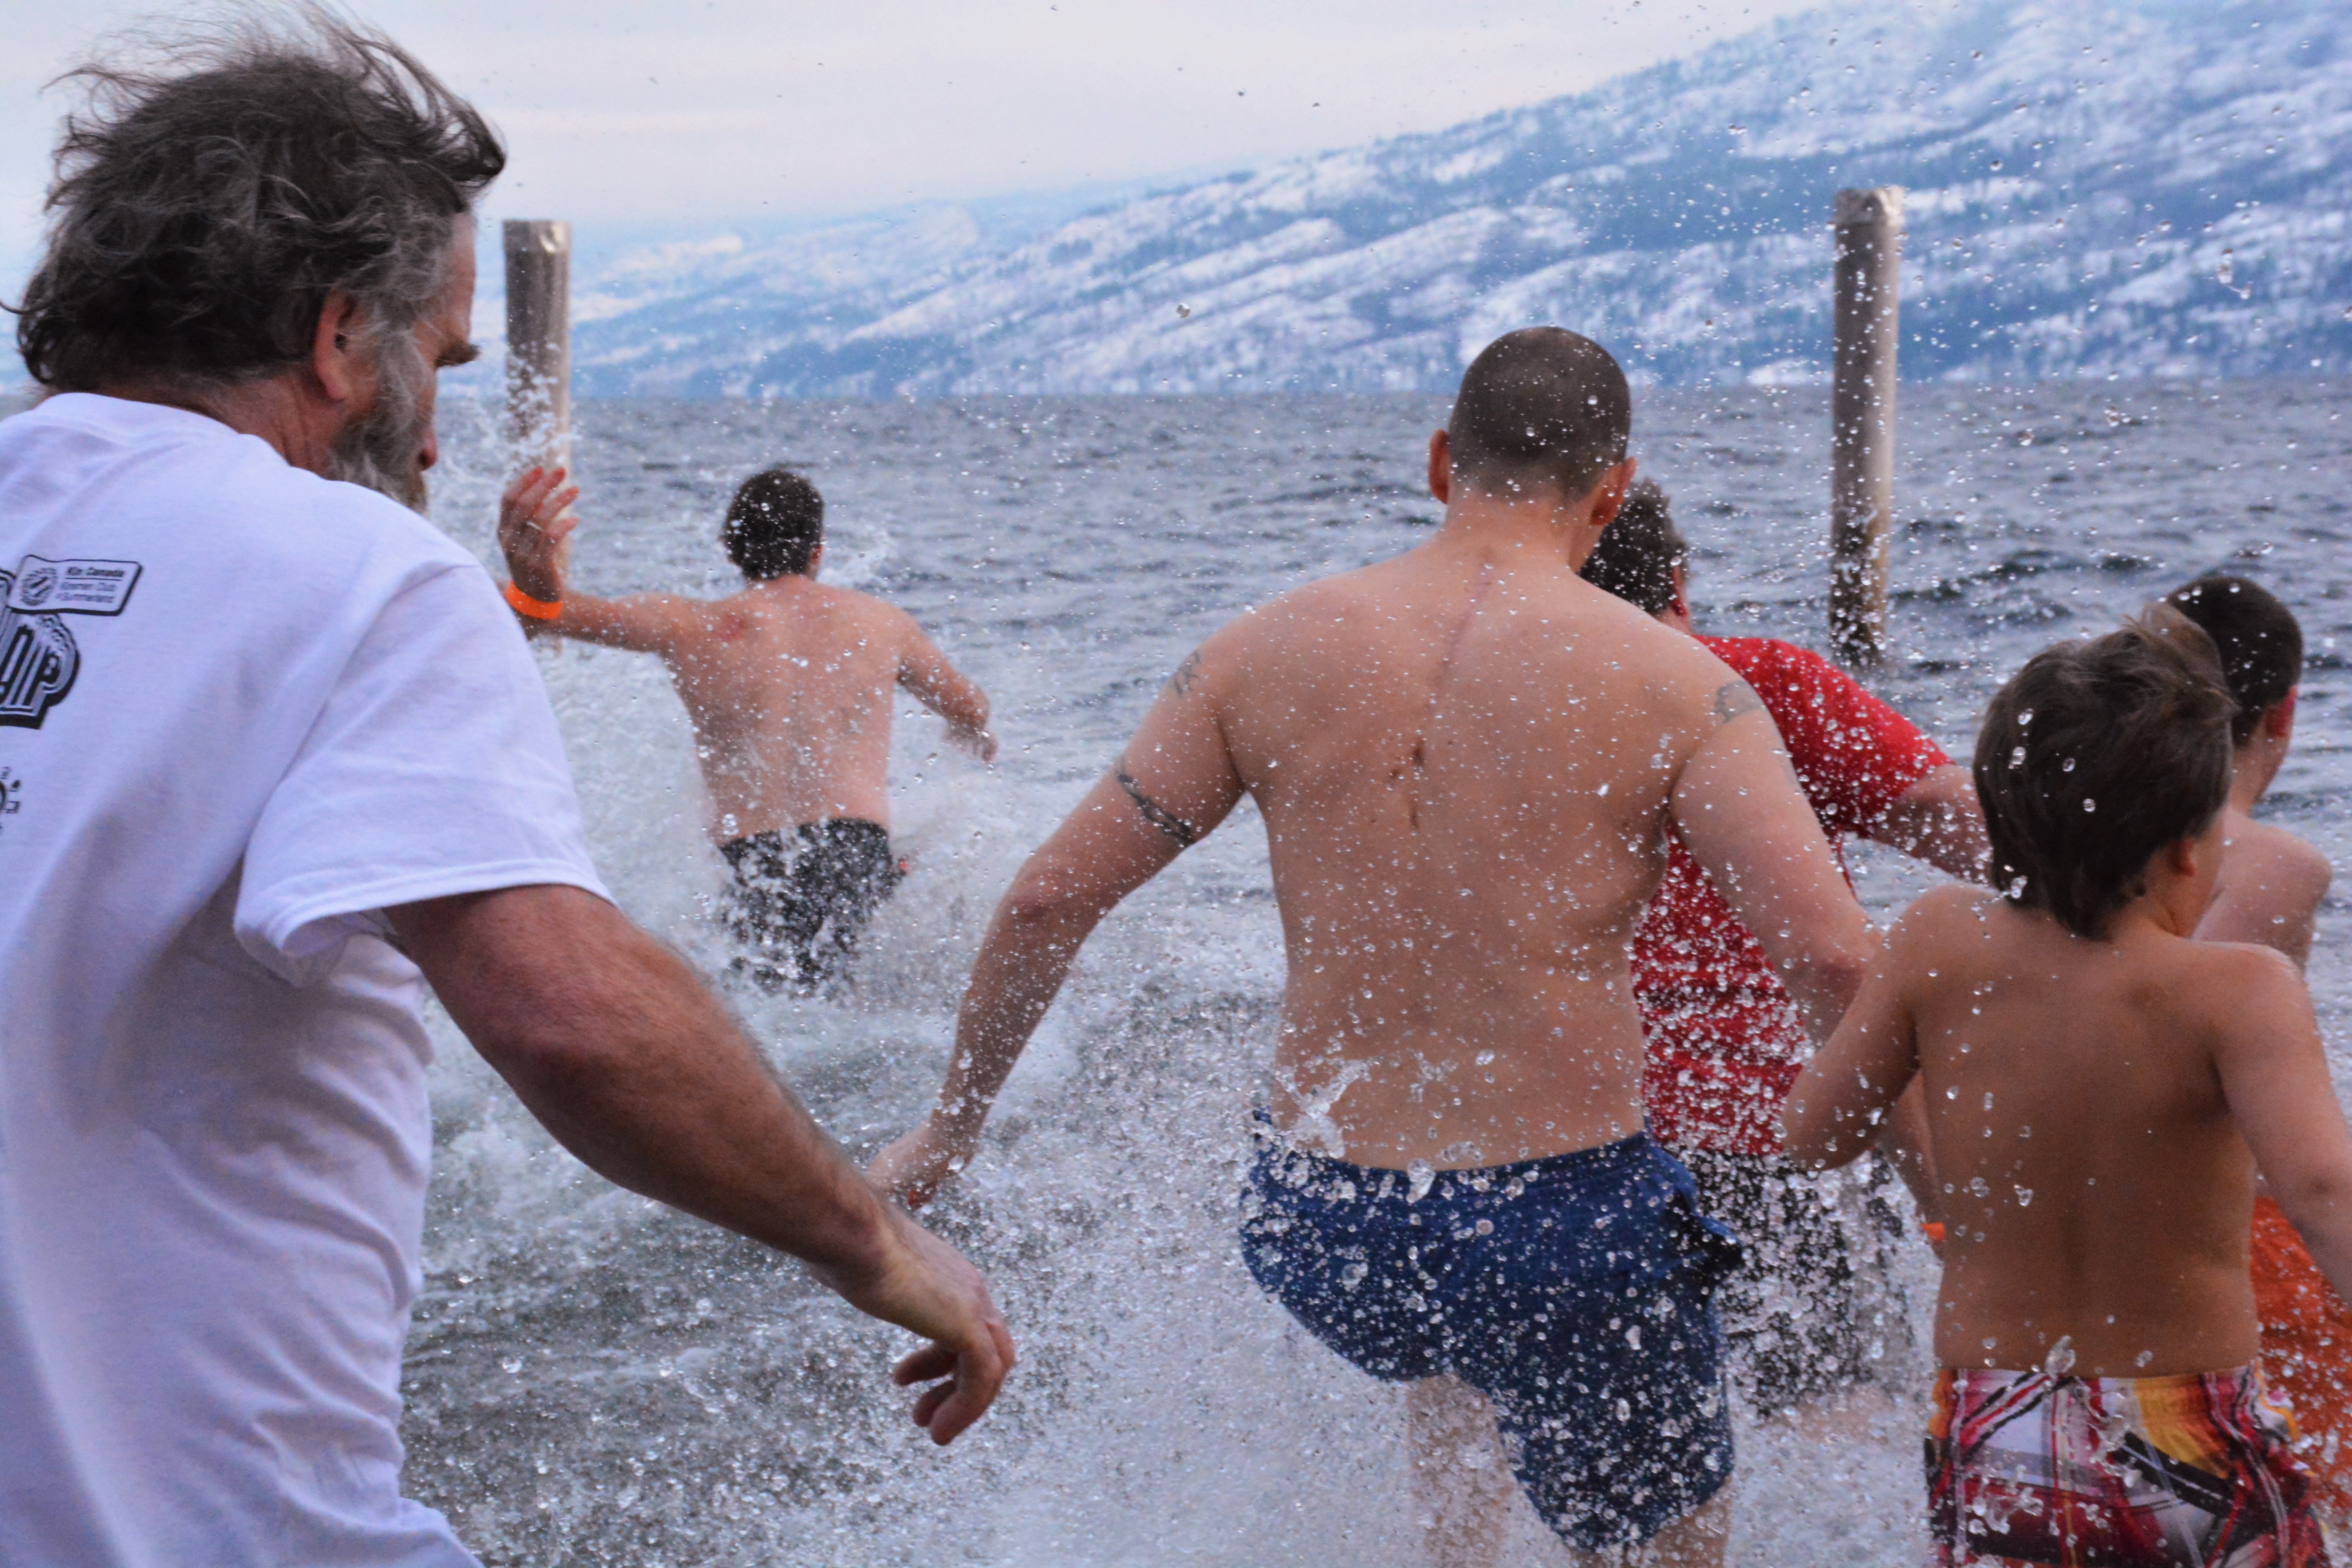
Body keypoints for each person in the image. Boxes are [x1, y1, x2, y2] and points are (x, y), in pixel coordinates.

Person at [0, 23, 1008, 1565]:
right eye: (440, 357)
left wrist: (540, 591)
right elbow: (564, 1010)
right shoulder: (360, 573)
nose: (434, 427)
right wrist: (878, 1242)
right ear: (343, 337)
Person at [874, 328, 1881, 1565]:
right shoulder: (1680, 683)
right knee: (1647, 1525)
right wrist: (1911, 1162)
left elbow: (1044, 905)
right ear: (1614, 490)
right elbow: (1831, 965)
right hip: (1562, 1218)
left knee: (1457, 1357)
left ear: (1441, 460)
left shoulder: (1257, 651)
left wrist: (954, 1127)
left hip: (1322, 1220)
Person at [1783, 609, 2351, 1565]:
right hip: (2188, 1418)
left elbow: (1815, 1134)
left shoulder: (1937, 940)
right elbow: (2325, 1193)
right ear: (2186, 849)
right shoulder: (2239, 988)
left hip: (1993, 1417)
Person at [1580, 479, 1986, 1416]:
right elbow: (1967, 834)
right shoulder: (1763, 685)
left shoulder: (1512, 720)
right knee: (1829, 1434)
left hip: (1574, 1151)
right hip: (1775, 1135)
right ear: (1677, 582)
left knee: (1609, 1457)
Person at [499, 463, 995, 992]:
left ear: (732, 550)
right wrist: (969, 734)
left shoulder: (687, 625)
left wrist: (531, 582)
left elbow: (543, 615)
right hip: (855, 853)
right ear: (817, 550)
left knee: (769, 1012)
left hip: (754, 867)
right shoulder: (880, 622)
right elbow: (971, 707)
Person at [2167, 572, 2349, 1524]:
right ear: (2283, 710)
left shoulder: (2079, 845)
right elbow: (2168, 1037)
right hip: (2237, 1238)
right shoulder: (2271, 862)